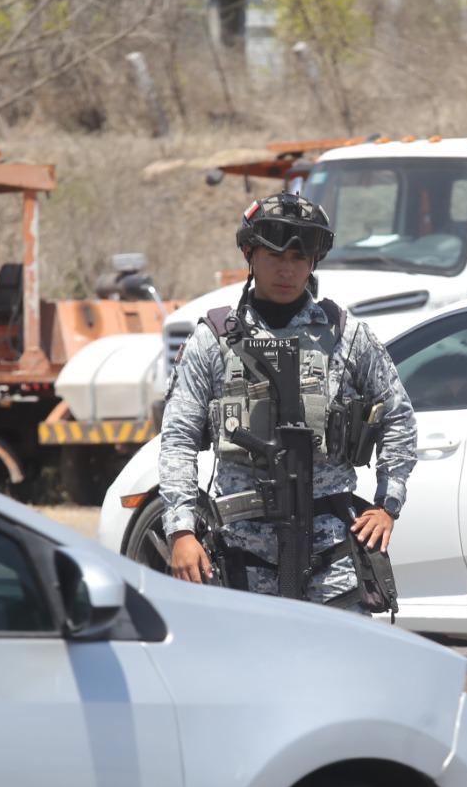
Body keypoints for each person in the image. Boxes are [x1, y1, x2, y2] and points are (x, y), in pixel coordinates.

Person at [159, 191, 417, 609]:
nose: (287, 269)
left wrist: (388, 504)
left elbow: (398, 416)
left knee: (341, 651)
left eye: (299, 258)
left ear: (313, 262)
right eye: (274, 256)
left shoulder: (346, 335)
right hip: (242, 556)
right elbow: (177, 438)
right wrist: (181, 531)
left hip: (331, 555)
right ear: (249, 254)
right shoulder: (214, 340)